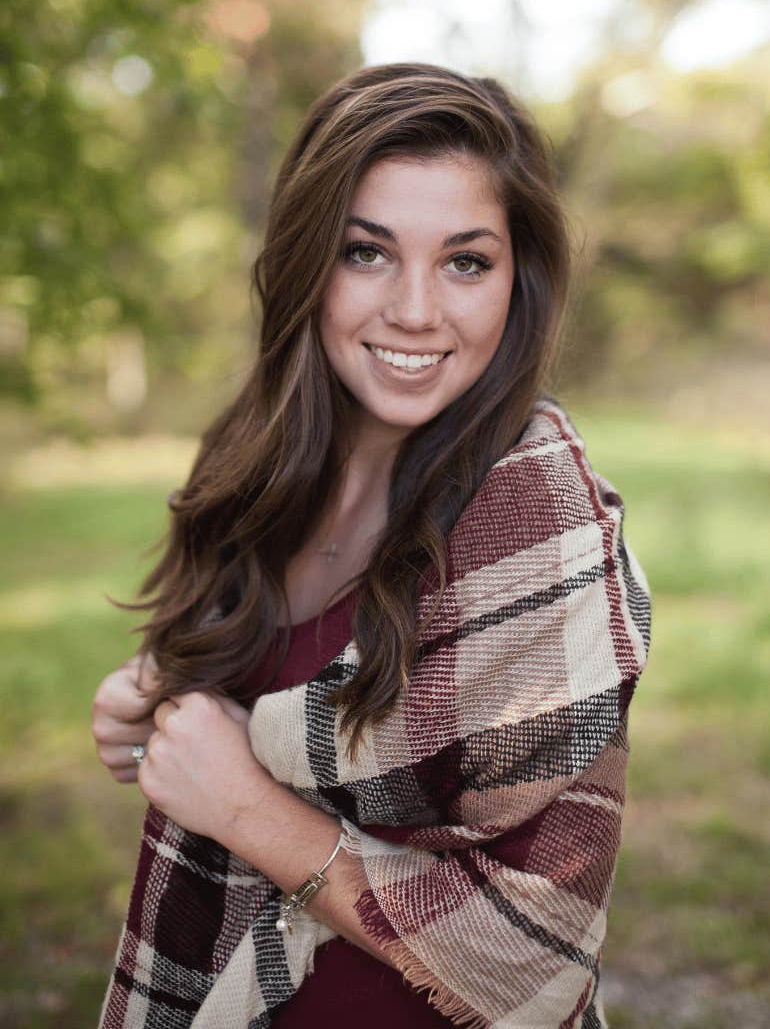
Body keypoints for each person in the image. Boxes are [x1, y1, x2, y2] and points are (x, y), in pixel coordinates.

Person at [92, 61, 652, 1028]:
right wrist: (164, 687)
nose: (416, 311)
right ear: (311, 257)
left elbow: (532, 956)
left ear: (519, 283)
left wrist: (242, 806)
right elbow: (273, 688)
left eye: (466, 262)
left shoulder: (541, 522)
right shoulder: (259, 464)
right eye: (368, 252)